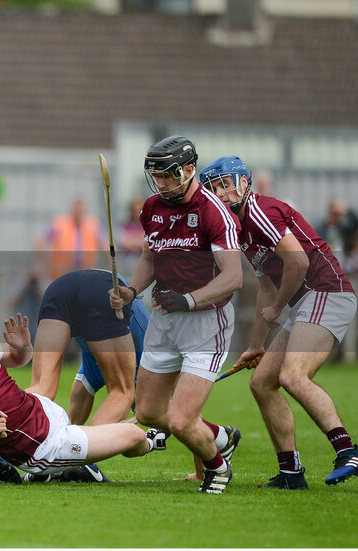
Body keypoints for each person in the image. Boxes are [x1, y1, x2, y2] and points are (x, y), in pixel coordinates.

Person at [200, 155, 358, 489]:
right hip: (306, 303)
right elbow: (265, 287)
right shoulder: (240, 230)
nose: (219, 193)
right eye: (213, 189)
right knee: (262, 382)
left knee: (293, 375)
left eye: (224, 184)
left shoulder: (260, 210)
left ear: (243, 183)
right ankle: (291, 473)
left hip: (326, 292)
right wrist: (256, 344)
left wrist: (278, 307)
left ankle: (347, 451)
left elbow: (299, 262)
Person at [108, 136, 244, 494]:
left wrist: (189, 299)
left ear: (188, 170)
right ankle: (220, 437)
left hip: (206, 322)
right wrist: (132, 291)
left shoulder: (215, 211)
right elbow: (150, 259)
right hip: (165, 320)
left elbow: (233, 278)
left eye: (168, 176)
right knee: (150, 413)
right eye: (157, 176)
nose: (162, 184)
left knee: (181, 420)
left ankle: (217, 466)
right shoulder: (152, 207)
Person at [0, 311, 162, 483]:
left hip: (42, 409)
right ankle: (154, 440)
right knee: (133, 435)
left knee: (104, 431)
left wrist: (22, 347)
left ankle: (59, 472)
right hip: (44, 446)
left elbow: (20, 359)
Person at [29, 269, 149, 427]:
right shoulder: (148, 343)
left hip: (60, 287)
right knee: (122, 393)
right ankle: (87, 446)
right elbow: (141, 408)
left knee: (43, 388)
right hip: (104, 291)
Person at [35, 196, 104, 281]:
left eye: (81, 210)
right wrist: (45, 263)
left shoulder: (92, 224)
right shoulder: (59, 223)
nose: (78, 212)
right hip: (61, 274)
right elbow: (39, 243)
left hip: (85, 273)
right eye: (76, 209)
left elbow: (105, 246)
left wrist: (112, 266)